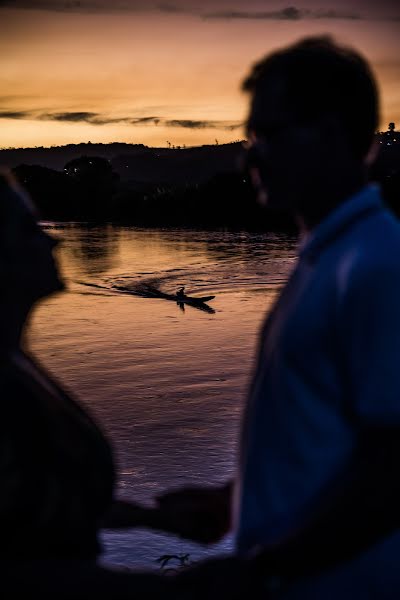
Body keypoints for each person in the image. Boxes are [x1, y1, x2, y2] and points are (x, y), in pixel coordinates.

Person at [155, 37, 400, 597]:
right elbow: (327, 439)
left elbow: (394, 468)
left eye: (269, 134)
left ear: (333, 135)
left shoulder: (376, 265)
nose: (250, 154)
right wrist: (233, 499)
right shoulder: (327, 258)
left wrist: (264, 568)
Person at [0, 170, 254, 598]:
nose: (54, 240)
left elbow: (40, 508)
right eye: (29, 229)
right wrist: (182, 591)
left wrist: (152, 520)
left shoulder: (22, 365)